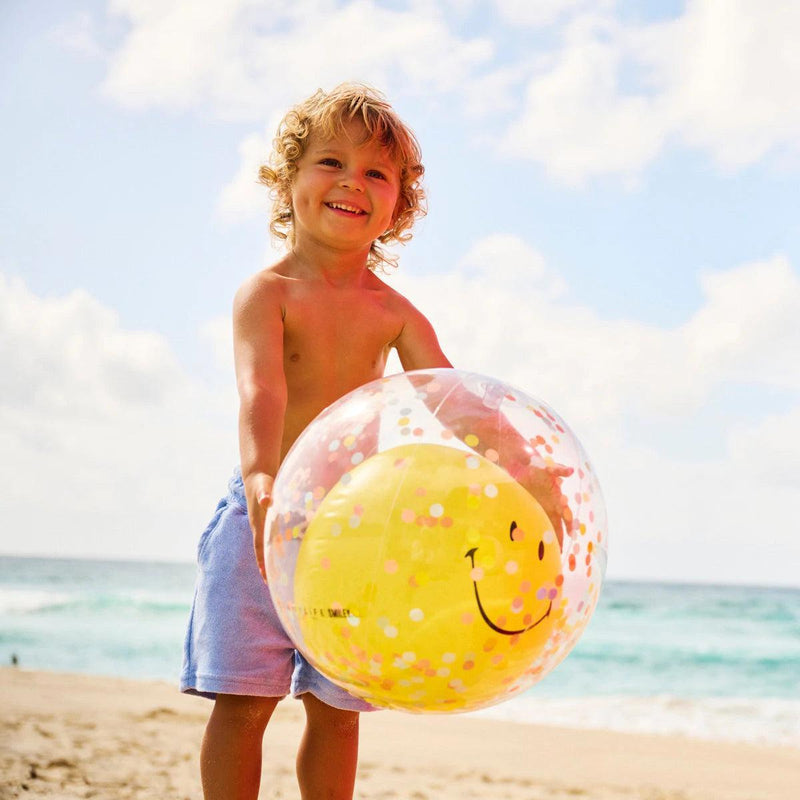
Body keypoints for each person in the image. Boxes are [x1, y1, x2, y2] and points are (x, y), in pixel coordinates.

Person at [181, 83, 570, 800]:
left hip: (352, 531)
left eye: (376, 174)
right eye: (331, 162)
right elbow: (261, 392)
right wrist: (264, 479)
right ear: (289, 179)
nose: (351, 183)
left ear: (398, 206)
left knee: (339, 708)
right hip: (262, 516)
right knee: (245, 701)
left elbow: (461, 407)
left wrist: (538, 483)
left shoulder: (392, 312)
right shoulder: (267, 294)